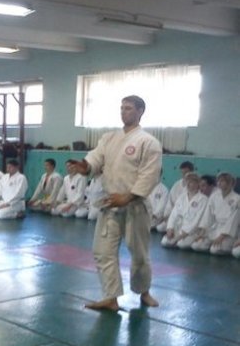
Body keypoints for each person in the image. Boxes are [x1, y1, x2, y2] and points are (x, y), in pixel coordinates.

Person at [73, 95, 162, 311]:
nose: (123, 112)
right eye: (122, 108)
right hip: (110, 203)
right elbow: (96, 157)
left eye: (129, 108)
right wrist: (87, 166)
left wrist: (129, 196)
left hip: (135, 205)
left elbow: (149, 175)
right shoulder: (109, 138)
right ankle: (110, 297)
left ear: (140, 111)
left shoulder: (148, 142)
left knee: (139, 254)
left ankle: (144, 292)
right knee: (102, 251)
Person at [191, 173, 239, 255]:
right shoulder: (214, 196)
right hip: (215, 228)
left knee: (215, 250)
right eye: (218, 181)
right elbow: (208, 216)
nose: (219, 183)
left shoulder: (237, 199)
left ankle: (227, 245)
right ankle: (212, 244)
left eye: (222, 181)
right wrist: (203, 232)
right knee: (196, 245)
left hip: (229, 232)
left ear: (229, 183)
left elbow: (233, 222)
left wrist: (221, 236)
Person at [161, 173, 208, 249]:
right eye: (187, 182)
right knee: (165, 242)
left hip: (192, 231)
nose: (188, 184)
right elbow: (173, 214)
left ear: (197, 184)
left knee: (182, 244)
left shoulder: (203, 199)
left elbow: (197, 220)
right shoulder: (182, 197)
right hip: (178, 228)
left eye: (191, 182)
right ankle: (175, 239)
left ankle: (184, 240)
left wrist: (183, 234)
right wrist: (170, 228)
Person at [157, 161, 194, 232]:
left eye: (186, 172)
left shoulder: (195, 187)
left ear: (192, 172)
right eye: (182, 173)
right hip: (174, 214)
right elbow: (170, 202)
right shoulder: (176, 185)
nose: (184, 175)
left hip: (187, 216)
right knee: (160, 228)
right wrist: (166, 215)